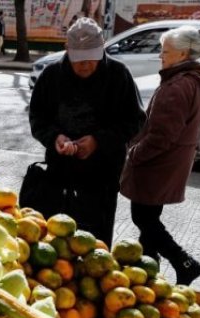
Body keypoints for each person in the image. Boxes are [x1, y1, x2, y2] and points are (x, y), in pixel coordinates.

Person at [28, 17, 145, 246]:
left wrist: (98, 141)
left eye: (92, 58)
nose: (86, 65)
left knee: (96, 241)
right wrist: (55, 138)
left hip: (102, 175)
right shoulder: (51, 76)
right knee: (57, 240)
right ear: (67, 50)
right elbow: (37, 119)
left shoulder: (119, 74)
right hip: (59, 172)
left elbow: (135, 120)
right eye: (79, 59)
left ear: (102, 48)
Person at [120, 26, 200, 285]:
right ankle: (147, 273)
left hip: (157, 165)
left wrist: (135, 154)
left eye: (165, 51)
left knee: (143, 218)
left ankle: (184, 262)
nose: (160, 55)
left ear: (183, 53)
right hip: (170, 164)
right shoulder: (192, 80)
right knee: (149, 219)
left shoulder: (177, 86)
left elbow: (162, 136)